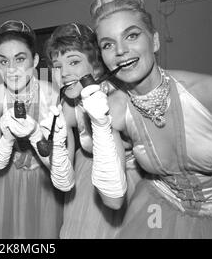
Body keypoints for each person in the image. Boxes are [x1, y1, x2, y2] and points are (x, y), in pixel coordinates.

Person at [82, 0, 212, 238]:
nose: (120, 51)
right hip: (158, 214)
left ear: (155, 40)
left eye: (132, 35)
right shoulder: (113, 109)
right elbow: (113, 200)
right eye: (107, 44)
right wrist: (99, 123)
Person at [44, 22, 143, 238]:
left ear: (96, 66)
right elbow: (62, 173)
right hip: (86, 175)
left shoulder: (113, 103)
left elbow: (115, 197)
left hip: (125, 183)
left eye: (74, 62)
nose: (64, 73)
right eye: (57, 66)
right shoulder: (68, 104)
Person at [0, 20, 68, 239]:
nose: (11, 69)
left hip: (44, 181)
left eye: (20, 59)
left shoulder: (52, 95)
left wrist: (35, 134)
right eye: (3, 61)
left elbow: (63, 160)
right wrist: (8, 139)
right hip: (5, 182)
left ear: (35, 60)